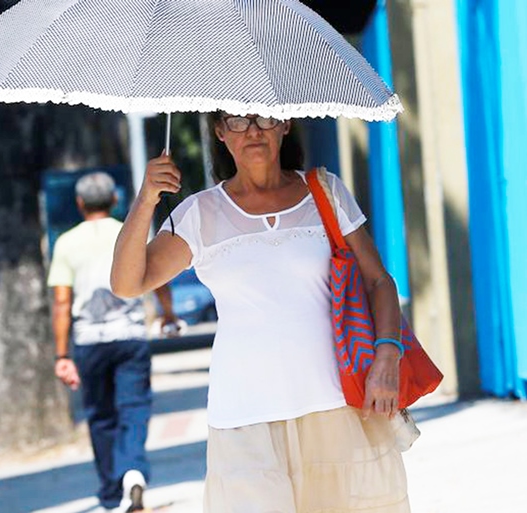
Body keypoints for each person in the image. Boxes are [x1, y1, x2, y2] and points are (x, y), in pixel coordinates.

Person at [111, 113, 410, 512]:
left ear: (284, 125)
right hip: (244, 417)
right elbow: (128, 283)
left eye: (264, 118)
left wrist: (387, 357)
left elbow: (378, 282)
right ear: (219, 131)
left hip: (334, 407)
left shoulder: (325, 192)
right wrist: (146, 198)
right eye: (236, 120)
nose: (252, 130)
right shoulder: (199, 214)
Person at [48, 171, 179, 513]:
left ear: (80, 204)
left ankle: (110, 495)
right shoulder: (129, 232)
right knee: (133, 408)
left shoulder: (65, 243)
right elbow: (157, 277)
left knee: (101, 416)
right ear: (115, 200)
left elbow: (62, 302)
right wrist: (167, 312)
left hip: (89, 341)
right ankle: (133, 470)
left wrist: (62, 354)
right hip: (130, 336)